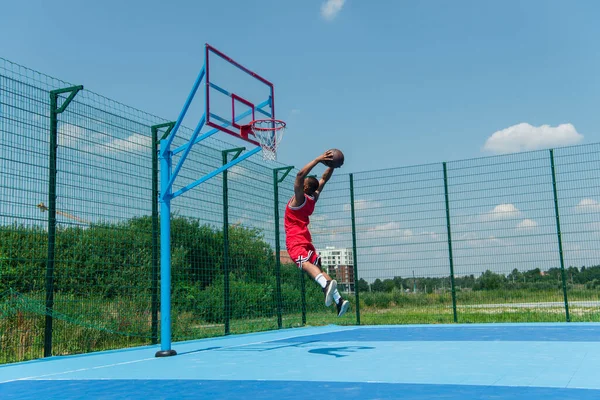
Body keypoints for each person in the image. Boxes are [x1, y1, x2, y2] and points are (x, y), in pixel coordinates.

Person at [284, 150, 350, 317]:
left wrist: (319, 159)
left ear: (305, 187)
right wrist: (332, 165)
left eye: (304, 183)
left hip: (296, 240)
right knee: (317, 268)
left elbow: (299, 174)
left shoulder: (300, 199)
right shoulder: (313, 198)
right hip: (306, 240)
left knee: (305, 265)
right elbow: (323, 180)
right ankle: (339, 300)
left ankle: (325, 285)